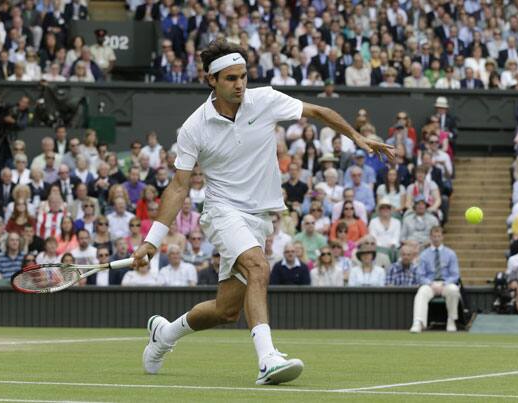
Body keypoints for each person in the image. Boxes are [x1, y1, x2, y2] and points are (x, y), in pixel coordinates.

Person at [132, 39, 393, 385]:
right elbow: (179, 186)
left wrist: (357, 138)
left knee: (226, 310)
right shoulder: (194, 127)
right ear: (212, 80)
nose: (240, 84)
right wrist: (153, 240)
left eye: (243, 76)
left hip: (259, 218)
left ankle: (164, 335)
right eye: (230, 78)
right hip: (223, 212)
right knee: (258, 266)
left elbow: (318, 112)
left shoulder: (264, 99)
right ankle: (267, 359)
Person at [410, 226, 460, 333]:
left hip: (445, 283)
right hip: (430, 284)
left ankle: (451, 320)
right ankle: (418, 322)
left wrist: (444, 284)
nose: (436, 239)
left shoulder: (451, 254)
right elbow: (420, 275)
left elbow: (455, 275)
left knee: (454, 290)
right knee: (421, 292)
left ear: (442, 237)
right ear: (430, 237)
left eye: (439, 236)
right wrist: (430, 284)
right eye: (434, 236)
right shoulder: (424, 255)